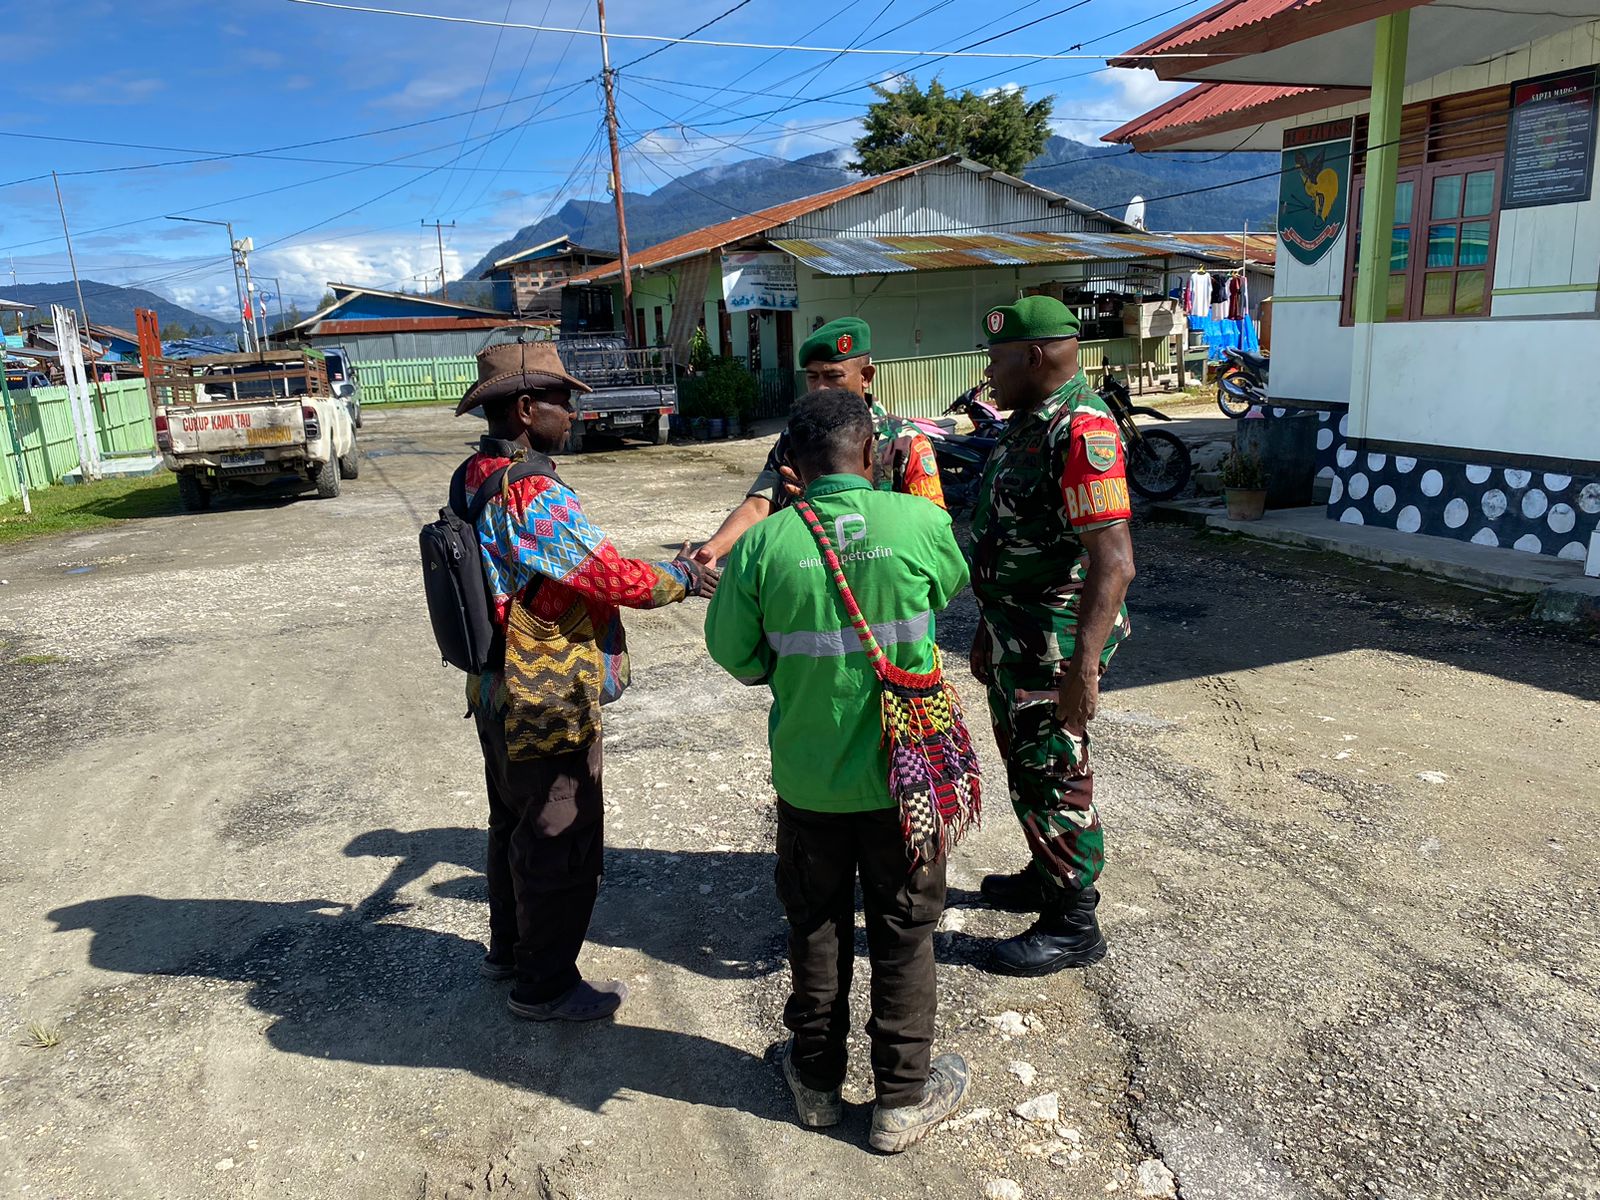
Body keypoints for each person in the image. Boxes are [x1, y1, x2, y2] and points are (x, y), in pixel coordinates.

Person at [705, 388, 971, 1153]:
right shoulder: (920, 523)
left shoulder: (762, 545)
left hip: (810, 781)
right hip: (904, 777)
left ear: (791, 461)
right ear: (873, 453)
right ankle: (901, 1101)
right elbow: (948, 585)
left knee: (815, 927)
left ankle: (817, 1086)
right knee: (904, 930)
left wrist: (786, 672)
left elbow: (732, 652)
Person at [456, 341, 718, 1022]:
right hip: (543, 695)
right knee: (559, 833)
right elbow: (610, 575)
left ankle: (510, 953)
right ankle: (544, 986)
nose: (572, 414)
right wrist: (685, 576)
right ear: (525, 408)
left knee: (512, 822)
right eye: (562, 401)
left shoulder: (475, 473)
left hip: (492, 686)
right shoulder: (533, 493)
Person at [968, 296, 1137, 977]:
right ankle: (1048, 872)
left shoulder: (1082, 429)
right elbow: (1009, 535)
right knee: (1025, 763)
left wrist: (1084, 669)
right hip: (1016, 633)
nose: (988, 371)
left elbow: (1114, 561)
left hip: (1055, 645)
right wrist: (987, 627)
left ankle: (1073, 923)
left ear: (1034, 357)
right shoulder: (1029, 422)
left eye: (997, 359)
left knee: (1054, 771)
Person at [692, 317, 945, 567]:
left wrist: (825, 497)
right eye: (812, 377)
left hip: (883, 572)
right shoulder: (797, 437)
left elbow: (932, 526)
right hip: (814, 575)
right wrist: (713, 549)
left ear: (866, 376)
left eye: (833, 376)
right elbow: (760, 504)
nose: (821, 388)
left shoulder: (905, 442)